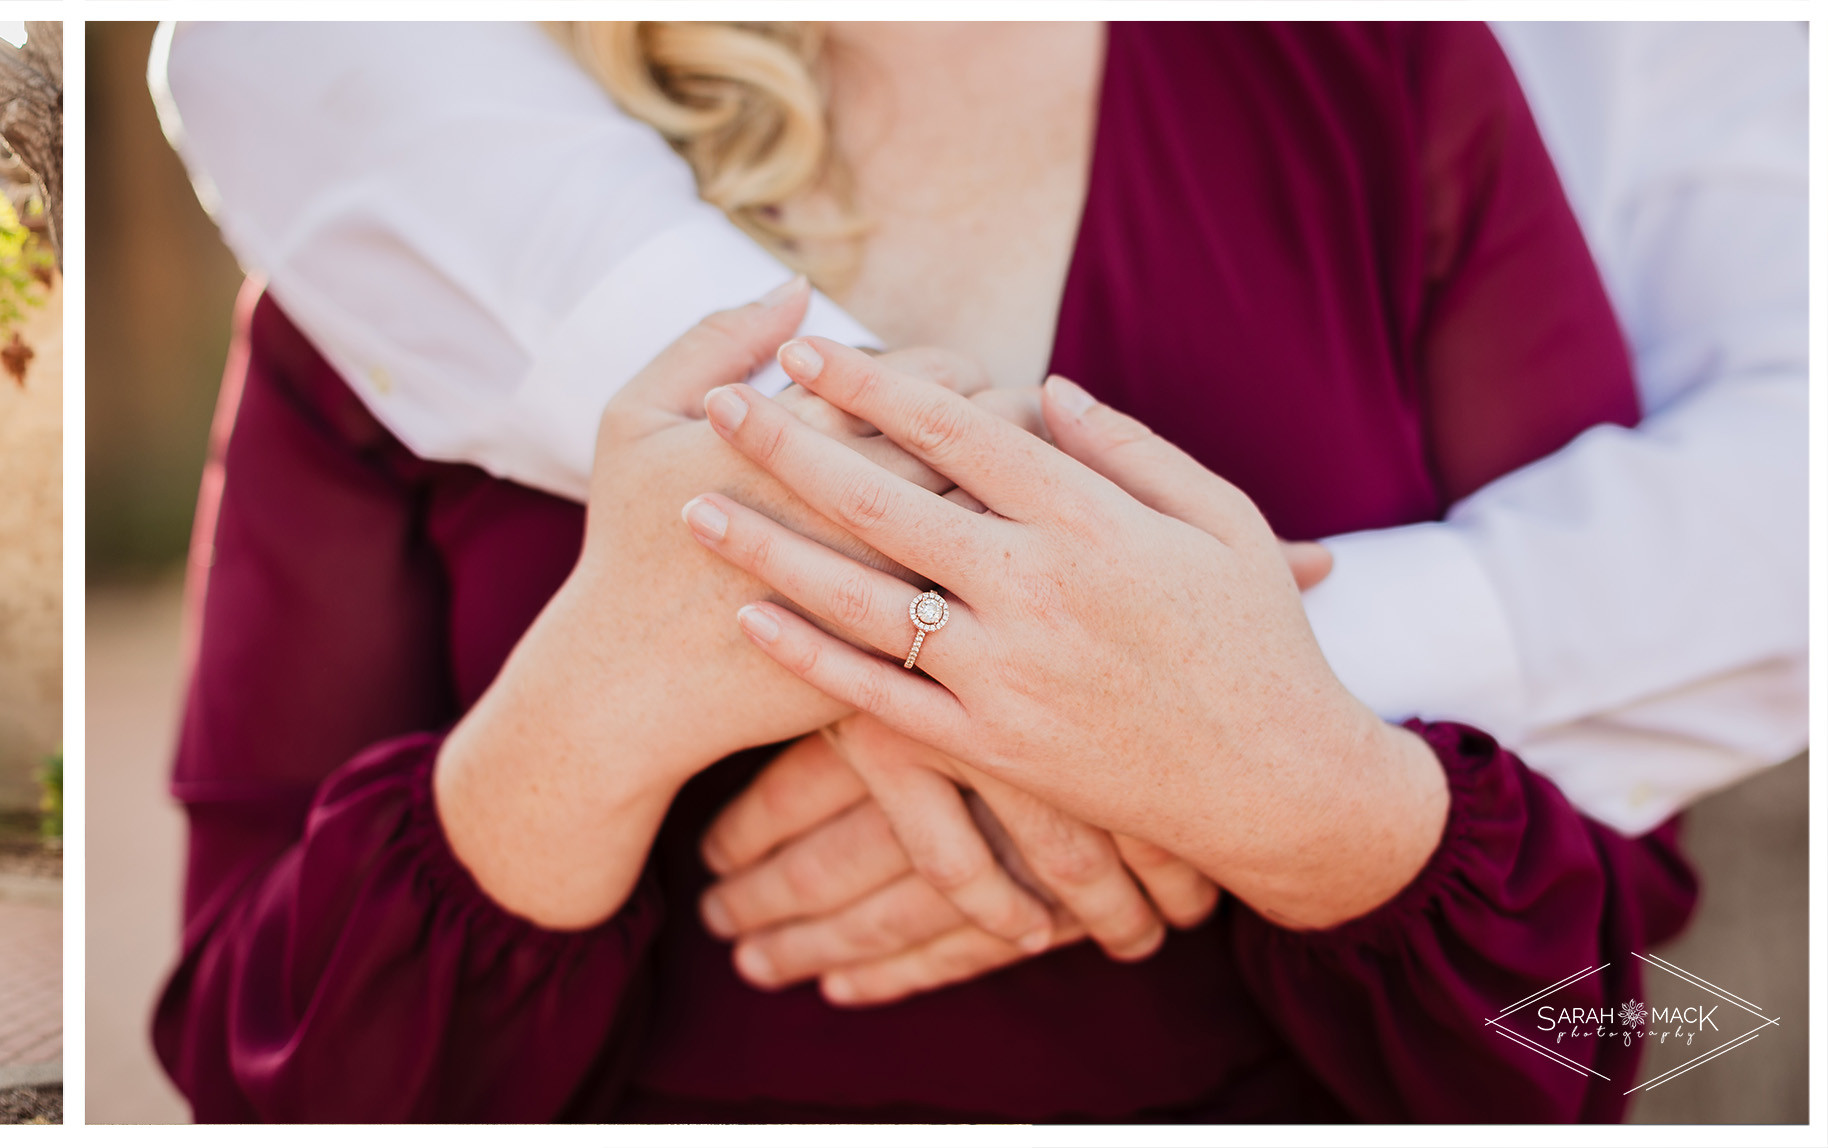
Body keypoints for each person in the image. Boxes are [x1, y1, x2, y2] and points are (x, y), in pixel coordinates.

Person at [151, 23, 1704, 1121]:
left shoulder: (1386, 68)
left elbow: (1625, 1041)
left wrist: (1294, 793)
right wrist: (591, 713)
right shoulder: (411, 188)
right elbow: (247, 1069)